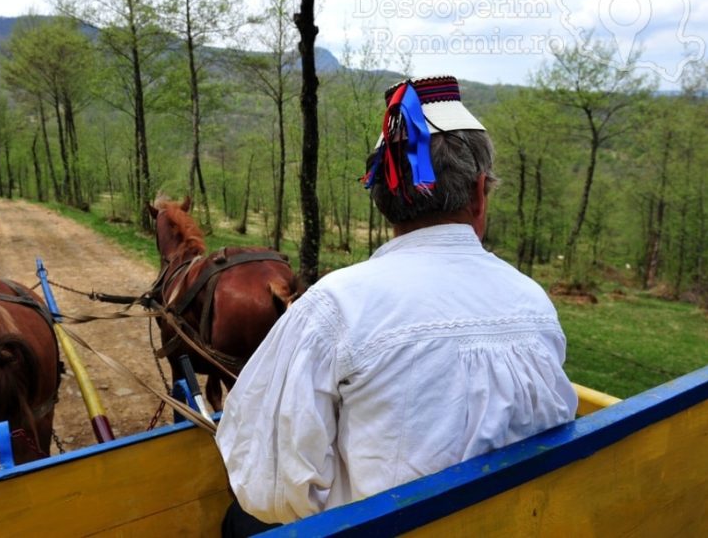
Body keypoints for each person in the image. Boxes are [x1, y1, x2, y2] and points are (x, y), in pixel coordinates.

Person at [215, 75, 578, 532]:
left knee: (238, 521)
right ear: (479, 194)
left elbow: (267, 486)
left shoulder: (336, 306)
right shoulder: (534, 302)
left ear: (384, 198)